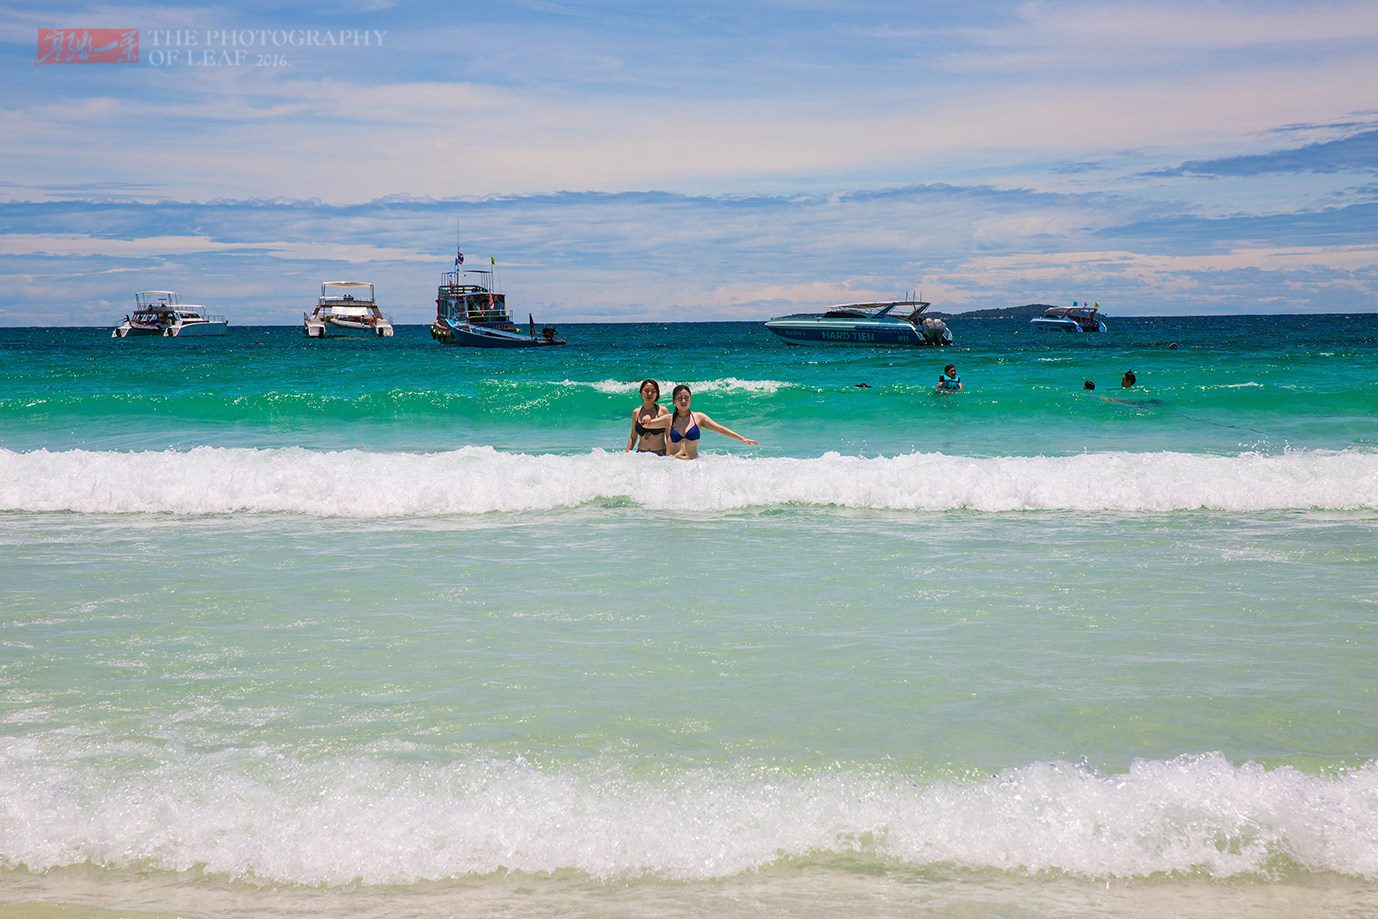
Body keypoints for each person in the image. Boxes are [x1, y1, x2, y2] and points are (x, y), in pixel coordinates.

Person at [665, 384, 758, 459]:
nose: (683, 400)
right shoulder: (669, 419)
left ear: (690, 399)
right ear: (674, 401)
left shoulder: (699, 417)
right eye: (679, 398)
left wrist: (741, 438)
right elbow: (650, 424)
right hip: (674, 463)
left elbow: (720, 429)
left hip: (692, 463)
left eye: (686, 397)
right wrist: (649, 417)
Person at [625, 379, 671, 455]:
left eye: (653, 391)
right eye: (646, 391)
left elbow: (669, 437)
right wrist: (626, 455)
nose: (649, 393)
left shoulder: (663, 411)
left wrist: (668, 457)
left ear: (657, 394)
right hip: (641, 454)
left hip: (660, 454)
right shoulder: (636, 412)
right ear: (641, 393)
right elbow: (633, 437)